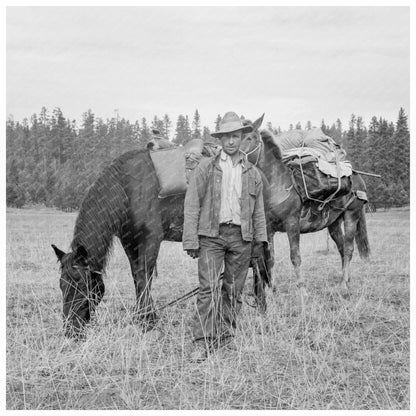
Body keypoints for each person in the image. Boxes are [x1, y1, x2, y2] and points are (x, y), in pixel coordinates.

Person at [183, 111, 268, 362]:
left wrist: (259, 243)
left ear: (243, 138)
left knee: (233, 290)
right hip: (212, 236)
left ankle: (227, 337)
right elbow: (191, 204)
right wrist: (191, 239)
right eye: (226, 137)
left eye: (235, 136)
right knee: (208, 289)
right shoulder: (205, 168)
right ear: (219, 139)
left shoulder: (253, 174)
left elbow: (259, 212)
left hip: (242, 239)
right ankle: (202, 341)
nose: (231, 141)